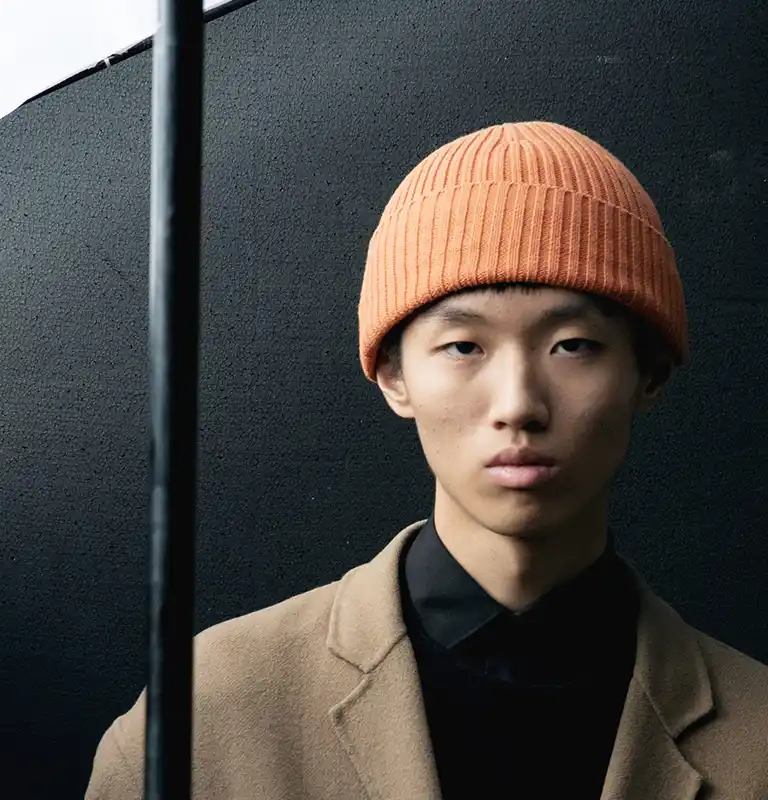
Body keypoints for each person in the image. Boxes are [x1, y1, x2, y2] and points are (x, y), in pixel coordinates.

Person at [85, 121, 768, 799]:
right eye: (464, 346)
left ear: (648, 374)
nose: (518, 403)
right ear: (393, 376)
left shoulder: (756, 737)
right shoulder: (202, 715)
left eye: (573, 345)